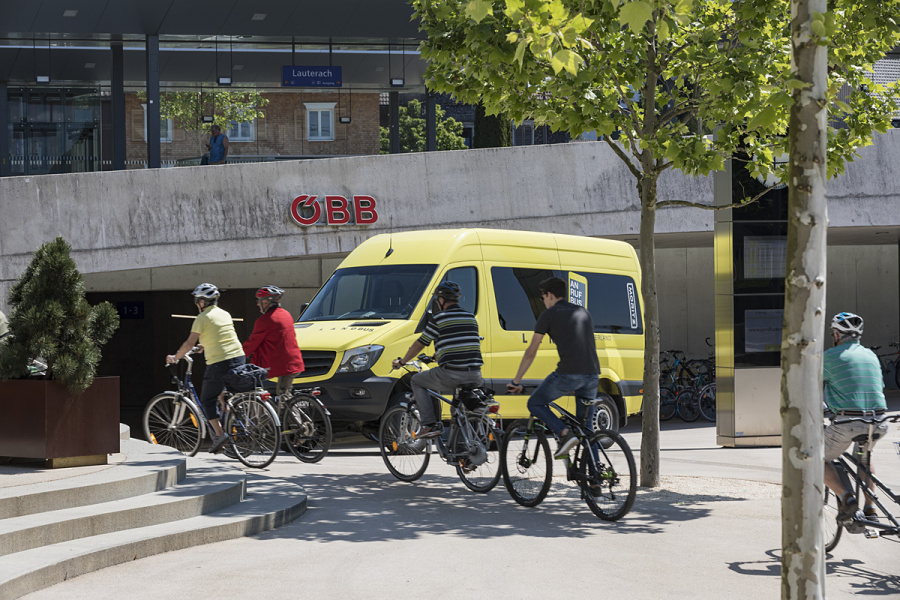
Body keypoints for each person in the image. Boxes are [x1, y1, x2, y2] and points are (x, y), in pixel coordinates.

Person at [507, 276, 600, 459]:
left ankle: (564, 434)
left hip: (568, 374)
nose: (543, 302)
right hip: (592, 374)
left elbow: (531, 352)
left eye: (542, 298)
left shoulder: (549, 315)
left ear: (549, 295)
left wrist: (516, 380)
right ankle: (595, 480)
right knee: (587, 430)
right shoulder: (583, 311)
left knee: (535, 403)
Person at [392, 281, 483, 439]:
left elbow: (420, 344)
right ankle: (462, 452)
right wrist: (436, 356)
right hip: (475, 374)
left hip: (452, 374)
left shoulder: (439, 318)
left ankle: (429, 425)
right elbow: (459, 343)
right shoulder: (470, 318)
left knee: (417, 381)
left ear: (441, 300)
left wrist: (402, 361)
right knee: (457, 408)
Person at [823, 311, 889, 526]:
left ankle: (846, 497)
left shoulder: (829, 357)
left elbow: (810, 386)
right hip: (878, 422)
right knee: (864, 457)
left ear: (836, 335)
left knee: (813, 458)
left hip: (848, 424)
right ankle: (871, 508)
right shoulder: (871, 355)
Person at [167, 283, 245, 453]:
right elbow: (220, 336)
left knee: (207, 400)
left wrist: (175, 358)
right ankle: (228, 409)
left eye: (197, 300)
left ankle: (219, 434)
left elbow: (189, 343)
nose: (196, 304)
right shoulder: (225, 314)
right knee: (222, 391)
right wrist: (205, 346)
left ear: (203, 302)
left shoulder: (201, 318)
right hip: (239, 358)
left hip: (219, 363)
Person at [242, 285, 305, 398]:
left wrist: (239, 356)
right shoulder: (286, 314)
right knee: (286, 397)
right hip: (294, 362)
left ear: (265, 302)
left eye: (259, 301)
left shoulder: (265, 320)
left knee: (282, 397)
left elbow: (252, 344)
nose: (257, 304)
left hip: (282, 365)